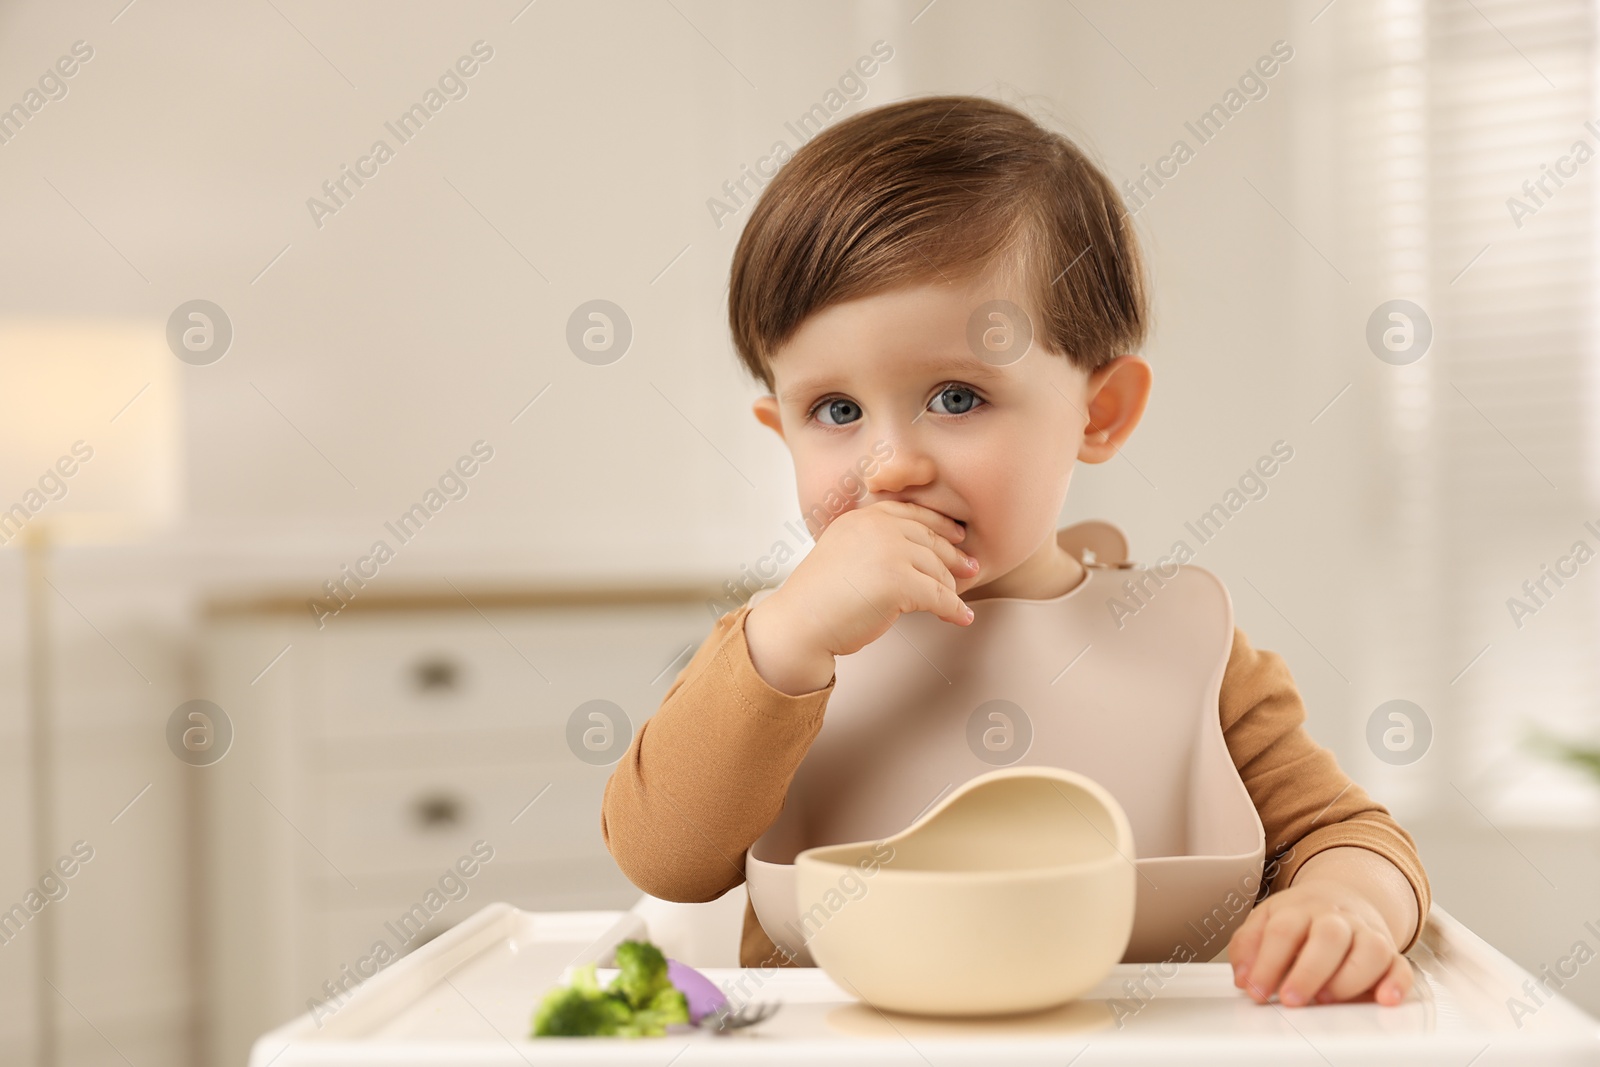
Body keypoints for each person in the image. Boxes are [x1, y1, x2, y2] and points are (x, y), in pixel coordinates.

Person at [601, 94, 1429, 1009]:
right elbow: (663, 859)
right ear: (780, 427)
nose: (892, 466)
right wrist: (788, 638)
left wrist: (1343, 902)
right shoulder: (773, 657)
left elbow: (1344, 833)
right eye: (835, 411)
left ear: (1098, 411)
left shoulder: (1184, 644)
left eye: (957, 397)